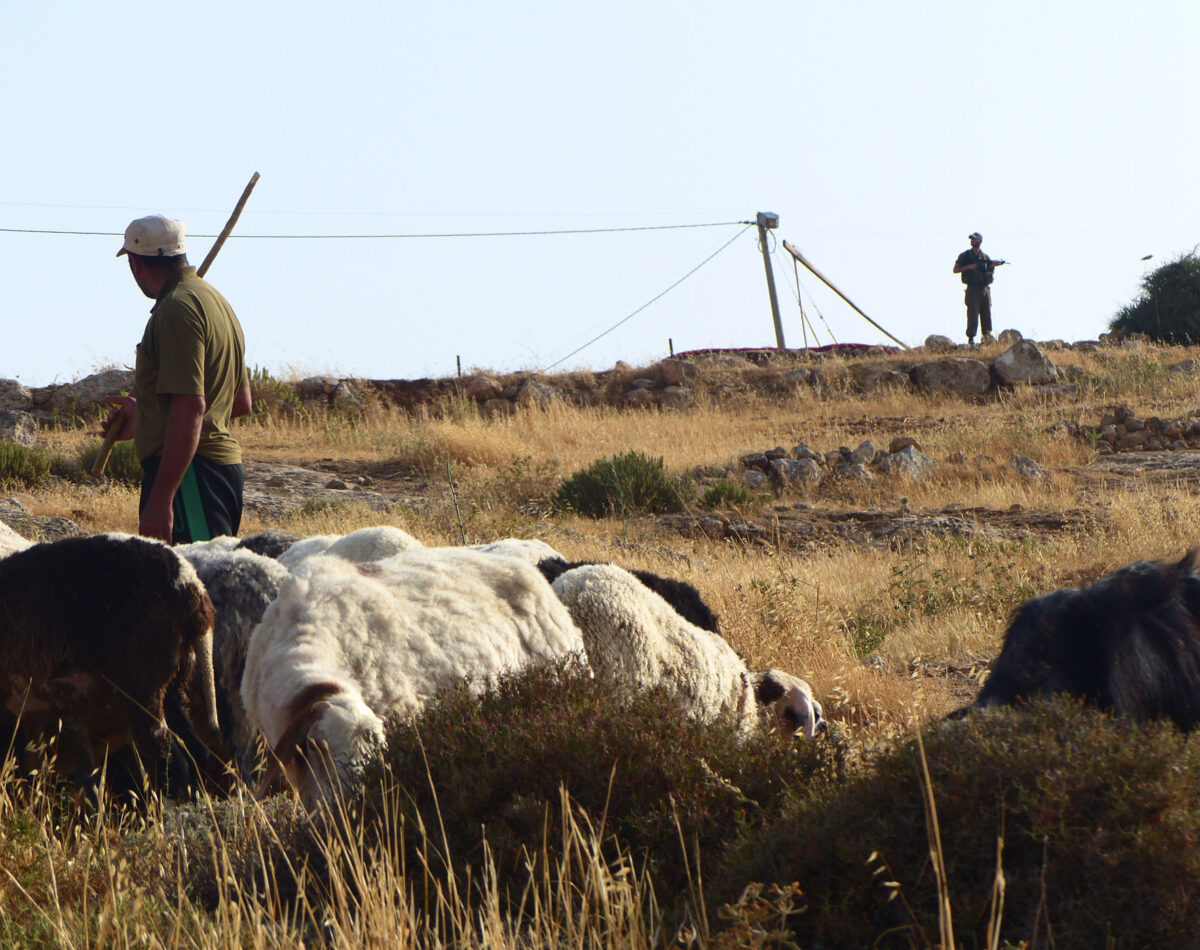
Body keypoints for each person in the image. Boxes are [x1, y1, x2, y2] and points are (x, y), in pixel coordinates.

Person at [101, 214, 252, 544]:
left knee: (190, 588)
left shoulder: (176, 309)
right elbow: (238, 404)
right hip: (217, 474)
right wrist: (147, 417)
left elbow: (191, 406)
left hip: (190, 481)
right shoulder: (216, 302)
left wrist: (162, 500)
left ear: (137, 266)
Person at [952, 231, 1004, 345]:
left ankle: (987, 337)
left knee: (986, 314)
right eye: (972, 239)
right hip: (973, 289)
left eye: (975, 239)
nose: (972, 241)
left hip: (984, 289)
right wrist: (969, 267)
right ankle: (971, 338)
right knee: (972, 314)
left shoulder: (985, 257)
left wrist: (992, 267)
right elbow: (955, 269)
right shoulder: (965, 256)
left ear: (980, 241)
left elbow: (989, 272)